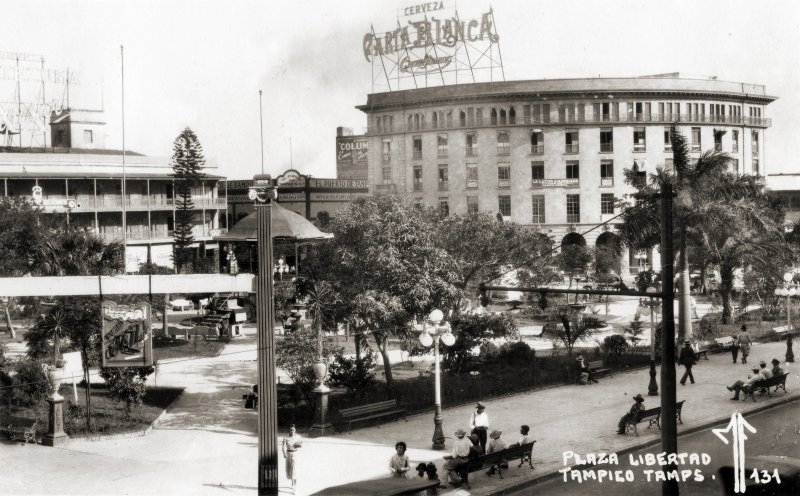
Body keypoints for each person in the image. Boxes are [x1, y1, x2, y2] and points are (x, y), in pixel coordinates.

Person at [282, 424, 302, 492]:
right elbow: (283, 446)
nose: (292, 431)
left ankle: (295, 488)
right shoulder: (285, 438)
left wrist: (297, 445)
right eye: (291, 430)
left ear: (295, 430)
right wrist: (284, 453)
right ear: (289, 430)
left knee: (294, 470)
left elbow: (301, 444)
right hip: (288, 454)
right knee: (289, 470)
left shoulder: (298, 437)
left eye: (293, 430)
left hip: (295, 454)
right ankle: (292, 483)